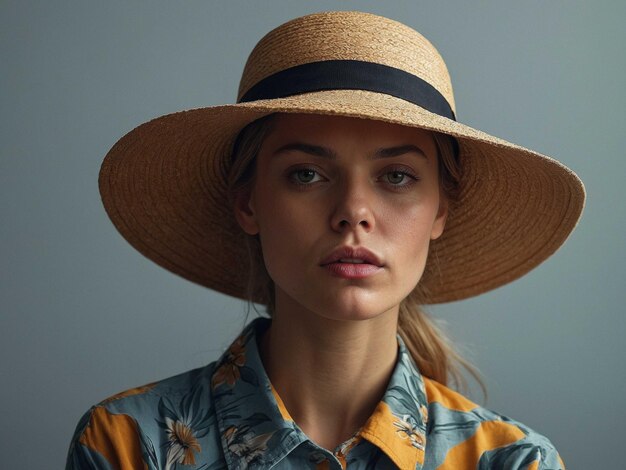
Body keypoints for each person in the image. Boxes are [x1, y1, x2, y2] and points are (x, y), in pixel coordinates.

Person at [66, 10, 584, 470]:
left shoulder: (513, 461)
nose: (353, 213)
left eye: (397, 176)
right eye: (307, 175)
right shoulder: (132, 446)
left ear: (440, 210)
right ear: (248, 203)